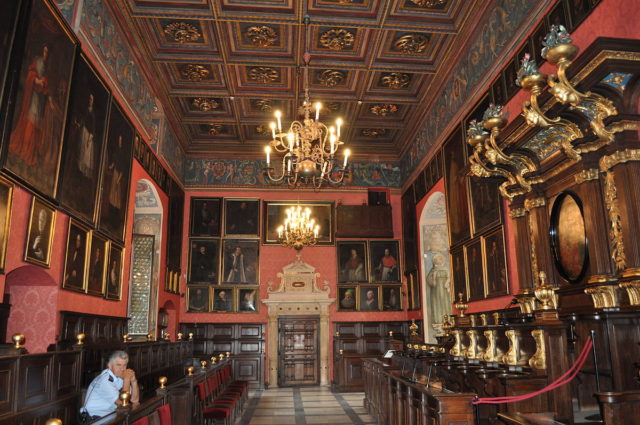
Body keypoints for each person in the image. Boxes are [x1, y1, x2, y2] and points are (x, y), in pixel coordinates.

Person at [9, 44, 50, 167]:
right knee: (29, 123)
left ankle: (29, 152)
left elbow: (47, 85)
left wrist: (43, 84)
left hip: (39, 99)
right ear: (42, 51)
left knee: (34, 126)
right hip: (31, 96)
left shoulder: (47, 66)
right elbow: (30, 74)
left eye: (47, 52)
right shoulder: (37, 60)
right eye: (45, 51)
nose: (45, 54)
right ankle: (24, 149)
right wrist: (36, 80)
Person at [82, 351, 139, 419]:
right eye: (118, 365)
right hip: (94, 418)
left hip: (109, 415)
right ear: (109, 366)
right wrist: (127, 380)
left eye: (125, 365)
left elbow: (135, 401)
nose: (123, 369)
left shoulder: (119, 377)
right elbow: (123, 404)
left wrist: (133, 381)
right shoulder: (104, 381)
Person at [426, 253, 451, 327]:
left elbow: (450, 276)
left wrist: (447, 282)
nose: (439, 260)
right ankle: (438, 320)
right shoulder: (433, 270)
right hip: (436, 291)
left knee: (445, 303)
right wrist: (433, 278)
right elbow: (428, 280)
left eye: (440, 259)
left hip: (444, 289)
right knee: (437, 304)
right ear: (435, 261)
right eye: (438, 259)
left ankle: (447, 319)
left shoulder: (446, 269)